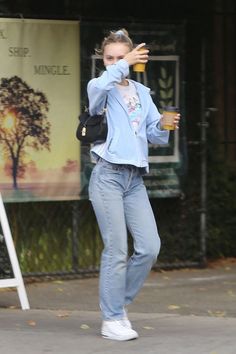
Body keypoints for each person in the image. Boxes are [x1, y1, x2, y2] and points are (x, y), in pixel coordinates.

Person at [87, 28, 180, 341]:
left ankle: (118, 304)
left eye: (121, 56)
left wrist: (165, 125)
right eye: (110, 58)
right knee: (116, 250)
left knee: (150, 248)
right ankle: (111, 319)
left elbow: (153, 135)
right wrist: (124, 63)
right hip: (107, 176)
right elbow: (101, 83)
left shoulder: (141, 92)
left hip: (134, 179)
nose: (115, 62)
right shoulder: (99, 87)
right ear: (106, 59)